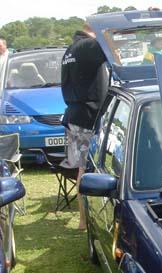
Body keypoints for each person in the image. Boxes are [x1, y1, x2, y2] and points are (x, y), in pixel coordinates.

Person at [61, 24, 106, 230]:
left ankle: (83, 220)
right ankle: (83, 221)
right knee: (85, 171)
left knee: (81, 168)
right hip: (88, 117)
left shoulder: (70, 50)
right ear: (94, 31)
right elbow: (113, 50)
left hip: (75, 116)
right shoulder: (88, 46)